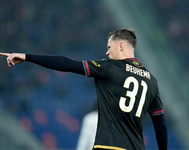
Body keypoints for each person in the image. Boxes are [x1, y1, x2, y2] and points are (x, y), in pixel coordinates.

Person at [0, 29, 168, 150]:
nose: (107, 52)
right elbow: (159, 123)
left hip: (109, 146)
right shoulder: (151, 80)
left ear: (122, 46)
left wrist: (27, 57)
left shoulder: (110, 67)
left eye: (109, 47)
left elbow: (67, 64)